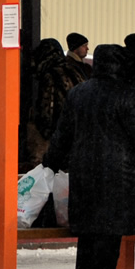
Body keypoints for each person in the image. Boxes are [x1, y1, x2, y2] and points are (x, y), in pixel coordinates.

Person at [43, 44, 135, 269]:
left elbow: (62, 134)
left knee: (88, 230)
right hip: (118, 173)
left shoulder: (78, 94)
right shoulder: (127, 94)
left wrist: (51, 162)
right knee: (109, 229)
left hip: (83, 170)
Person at [21, 38, 83, 171]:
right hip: (76, 131)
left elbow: (47, 108)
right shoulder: (74, 70)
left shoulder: (50, 74)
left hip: (58, 132)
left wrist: (44, 131)